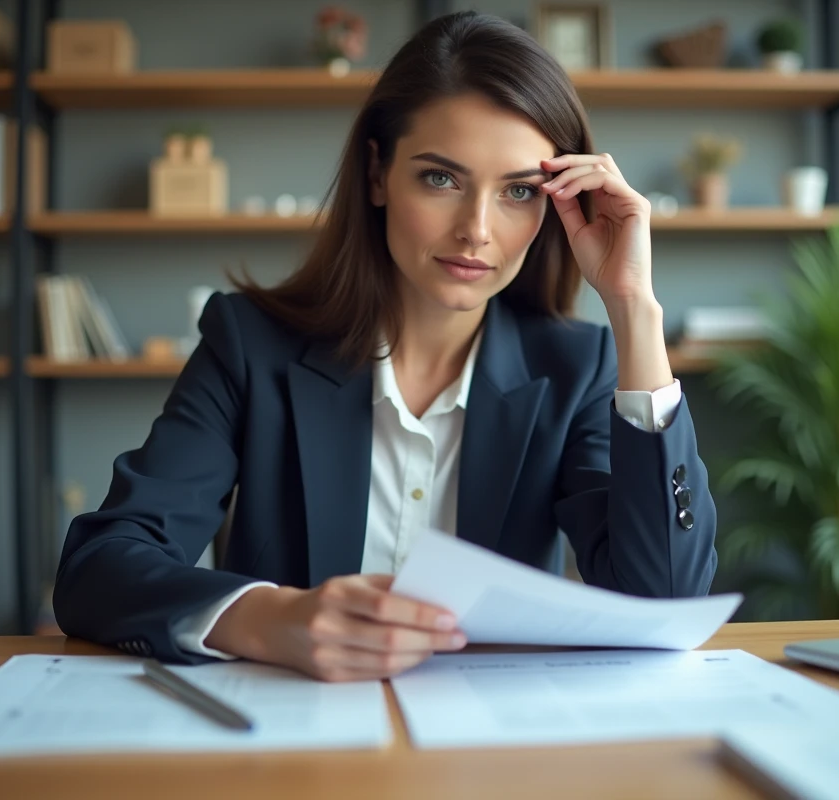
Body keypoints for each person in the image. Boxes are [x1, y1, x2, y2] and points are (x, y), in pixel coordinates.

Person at [54, 11, 717, 681]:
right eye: (441, 179)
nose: (476, 231)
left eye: (519, 191)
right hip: (290, 739)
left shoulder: (574, 369)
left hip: (488, 751)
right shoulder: (250, 345)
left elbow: (664, 601)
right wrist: (270, 619)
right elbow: (99, 568)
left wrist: (635, 308)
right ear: (377, 174)